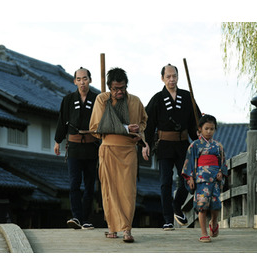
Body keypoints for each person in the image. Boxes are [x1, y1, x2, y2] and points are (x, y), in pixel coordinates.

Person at [89, 67, 148, 243]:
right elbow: (96, 127)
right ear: (109, 87)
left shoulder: (135, 101)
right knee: (109, 191)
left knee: (128, 191)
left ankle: (127, 229)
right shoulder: (102, 99)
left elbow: (144, 121)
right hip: (108, 149)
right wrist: (124, 128)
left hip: (128, 150)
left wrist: (139, 132)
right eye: (115, 89)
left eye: (121, 88)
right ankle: (113, 228)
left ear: (126, 86)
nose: (118, 92)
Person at [142, 64, 201, 231]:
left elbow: (194, 124)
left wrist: (200, 141)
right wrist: (145, 144)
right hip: (164, 146)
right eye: (168, 76)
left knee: (186, 179)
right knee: (165, 183)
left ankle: (177, 206)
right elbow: (148, 124)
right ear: (162, 78)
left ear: (178, 77)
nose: (171, 79)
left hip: (183, 145)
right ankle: (168, 219)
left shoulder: (187, 96)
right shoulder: (157, 99)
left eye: (174, 76)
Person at [54, 67, 99, 230]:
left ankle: (86, 218)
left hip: (91, 146)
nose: (82, 82)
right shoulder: (68, 99)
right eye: (79, 79)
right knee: (74, 183)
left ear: (90, 80)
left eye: (85, 79)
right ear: (74, 81)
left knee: (89, 185)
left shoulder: (98, 99)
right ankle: (76, 217)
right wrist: (58, 140)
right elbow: (62, 120)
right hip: (73, 147)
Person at [181, 114, 228, 243]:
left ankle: (213, 222)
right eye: (206, 128)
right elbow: (189, 163)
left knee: (215, 205)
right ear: (200, 129)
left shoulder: (218, 146)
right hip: (201, 179)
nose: (209, 131)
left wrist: (221, 172)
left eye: (212, 129)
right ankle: (203, 233)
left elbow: (223, 162)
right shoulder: (194, 145)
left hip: (215, 179)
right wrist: (190, 178)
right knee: (201, 205)